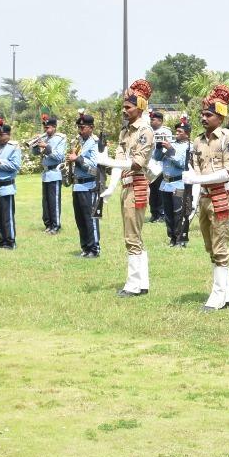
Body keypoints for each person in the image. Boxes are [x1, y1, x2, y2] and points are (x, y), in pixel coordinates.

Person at [97, 79, 156, 296]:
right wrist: (111, 187)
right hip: (126, 186)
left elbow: (136, 163)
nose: (124, 110)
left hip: (138, 185)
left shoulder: (144, 131)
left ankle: (134, 284)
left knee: (132, 237)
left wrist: (108, 162)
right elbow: (119, 161)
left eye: (128, 107)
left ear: (139, 106)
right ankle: (141, 283)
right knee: (132, 236)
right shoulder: (125, 132)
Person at [186, 87, 229, 310]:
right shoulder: (198, 141)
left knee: (220, 247)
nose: (203, 118)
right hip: (205, 198)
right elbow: (195, 170)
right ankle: (226, 294)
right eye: (203, 114)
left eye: (209, 115)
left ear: (221, 117)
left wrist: (197, 179)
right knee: (210, 247)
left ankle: (217, 296)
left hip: (221, 197)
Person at [67, 112, 102, 258]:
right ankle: (85, 247)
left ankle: (94, 248)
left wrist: (78, 159)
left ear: (91, 127)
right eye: (79, 127)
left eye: (83, 127)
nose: (80, 130)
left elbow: (95, 168)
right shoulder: (79, 142)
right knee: (80, 219)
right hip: (78, 185)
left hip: (90, 185)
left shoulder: (96, 143)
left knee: (90, 218)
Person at [0, 118, 22, 250]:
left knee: (7, 217)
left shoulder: (13, 147)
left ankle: (10, 241)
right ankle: (2, 240)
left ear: (8, 135)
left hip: (7, 186)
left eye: (2, 135)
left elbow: (15, 166)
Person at [156, 117, 190, 246]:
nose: (176, 134)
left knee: (179, 212)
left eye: (180, 132)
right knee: (168, 213)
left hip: (179, 184)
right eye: (176, 131)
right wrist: (158, 148)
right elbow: (157, 158)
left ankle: (180, 238)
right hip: (166, 184)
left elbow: (182, 163)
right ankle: (172, 238)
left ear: (187, 134)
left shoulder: (188, 146)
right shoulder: (172, 144)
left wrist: (170, 150)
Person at [37, 114, 67, 234]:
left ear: (54, 127)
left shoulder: (60, 138)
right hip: (45, 173)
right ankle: (48, 224)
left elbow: (59, 156)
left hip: (55, 172)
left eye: (48, 127)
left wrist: (47, 147)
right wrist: (36, 145)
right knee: (46, 202)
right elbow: (36, 153)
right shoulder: (45, 138)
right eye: (45, 127)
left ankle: (56, 226)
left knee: (54, 201)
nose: (46, 130)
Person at [146, 108, 167, 224]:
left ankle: (161, 213)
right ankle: (154, 213)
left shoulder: (164, 132)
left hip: (161, 166)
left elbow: (164, 150)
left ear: (160, 121)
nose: (151, 121)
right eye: (150, 119)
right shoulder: (149, 132)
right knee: (153, 191)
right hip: (151, 167)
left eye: (153, 119)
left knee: (160, 191)